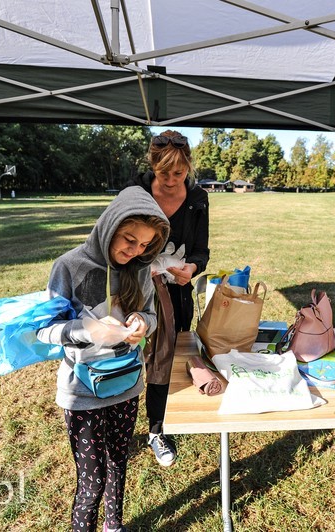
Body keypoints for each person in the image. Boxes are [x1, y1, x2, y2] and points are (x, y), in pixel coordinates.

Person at [36, 186, 170, 532]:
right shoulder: (68, 266)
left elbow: (151, 314)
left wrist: (144, 322)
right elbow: (44, 330)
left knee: (118, 465)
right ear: (109, 226)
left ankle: (113, 526)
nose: (135, 251)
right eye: (129, 239)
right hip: (83, 392)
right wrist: (90, 330)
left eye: (145, 245)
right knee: (92, 482)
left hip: (126, 386)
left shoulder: (140, 269)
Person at [124, 130, 210, 467]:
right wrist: (138, 266)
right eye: (164, 173)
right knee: (126, 358)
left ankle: (156, 430)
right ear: (152, 165)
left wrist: (192, 268)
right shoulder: (135, 192)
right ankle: (119, 427)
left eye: (179, 172)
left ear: (189, 166)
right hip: (133, 293)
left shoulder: (198, 198)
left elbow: (201, 250)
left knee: (164, 362)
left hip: (176, 296)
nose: (172, 181)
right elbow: (116, 238)